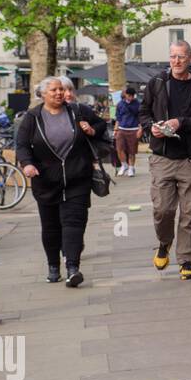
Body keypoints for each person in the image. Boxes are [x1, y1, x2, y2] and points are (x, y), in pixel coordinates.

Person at [15, 76, 108, 287]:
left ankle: (73, 268)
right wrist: (27, 164)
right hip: (46, 180)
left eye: (61, 89)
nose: (59, 93)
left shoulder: (77, 111)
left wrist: (91, 130)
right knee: (51, 227)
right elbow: (21, 145)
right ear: (43, 95)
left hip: (78, 178)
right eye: (54, 90)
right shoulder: (33, 117)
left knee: (74, 222)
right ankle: (53, 266)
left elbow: (101, 125)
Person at [141, 40, 191, 279]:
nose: (176, 61)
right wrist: (149, 128)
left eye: (181, 57)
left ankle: (186, 261)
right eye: (173, 56)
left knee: (190, 212)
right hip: (163, 157)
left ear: (190, 59)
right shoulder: (157, 83)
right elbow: (143, 113)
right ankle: (164, 243)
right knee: (162, 210)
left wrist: (180, 122)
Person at [114, 86, 142, 176]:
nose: (131, 97)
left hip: (133, 129)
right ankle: (124, 165)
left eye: (133, 95)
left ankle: (131, 168)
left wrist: (140, 130)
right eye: (129, 95)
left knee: (132, 151)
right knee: (119, 149)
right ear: (125, 95)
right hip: (121, 129)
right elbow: (118, 118)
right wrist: (115, 129)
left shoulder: (137, 104)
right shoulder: (120, 104)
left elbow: (141, 118)